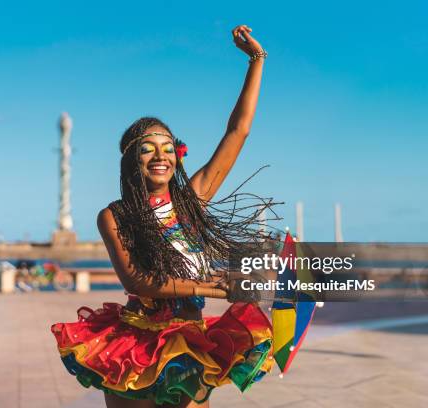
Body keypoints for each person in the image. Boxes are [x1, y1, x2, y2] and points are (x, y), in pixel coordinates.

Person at [52, 25, 274, 408]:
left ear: (178, 156)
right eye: (148, 149)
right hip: (135, 343)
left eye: (168, 148)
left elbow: (238, 131)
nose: (161, 156)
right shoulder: (115, 216)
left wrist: (257, 61)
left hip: (190, 339)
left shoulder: (193, 201)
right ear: (131, 160)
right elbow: (139, 280)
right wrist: (213, 287)